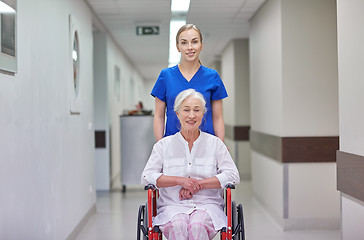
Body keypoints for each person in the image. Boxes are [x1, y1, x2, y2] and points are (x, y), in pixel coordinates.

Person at [141, 89, 240, 240]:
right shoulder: (163, 146)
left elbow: (233, 175)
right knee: (178, 225)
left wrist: (199, 184)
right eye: (186, 110)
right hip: (172, 207)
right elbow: (147, 176)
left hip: (208, 207)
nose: (192, 115)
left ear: (203, 114)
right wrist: (180, 181)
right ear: (178, 114)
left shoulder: (215, 144)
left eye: (197, 110)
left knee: (197, 226)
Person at [151, 24, 228, 142]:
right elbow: (159, 116)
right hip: (173, 145)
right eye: (184, 43)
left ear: (201, 46)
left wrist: (220, 146)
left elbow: (217, 118)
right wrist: (160, 147)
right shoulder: (166, 76)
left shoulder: (212, 77)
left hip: (207, 146)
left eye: (194, 42)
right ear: (178, 47)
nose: (190, 47)